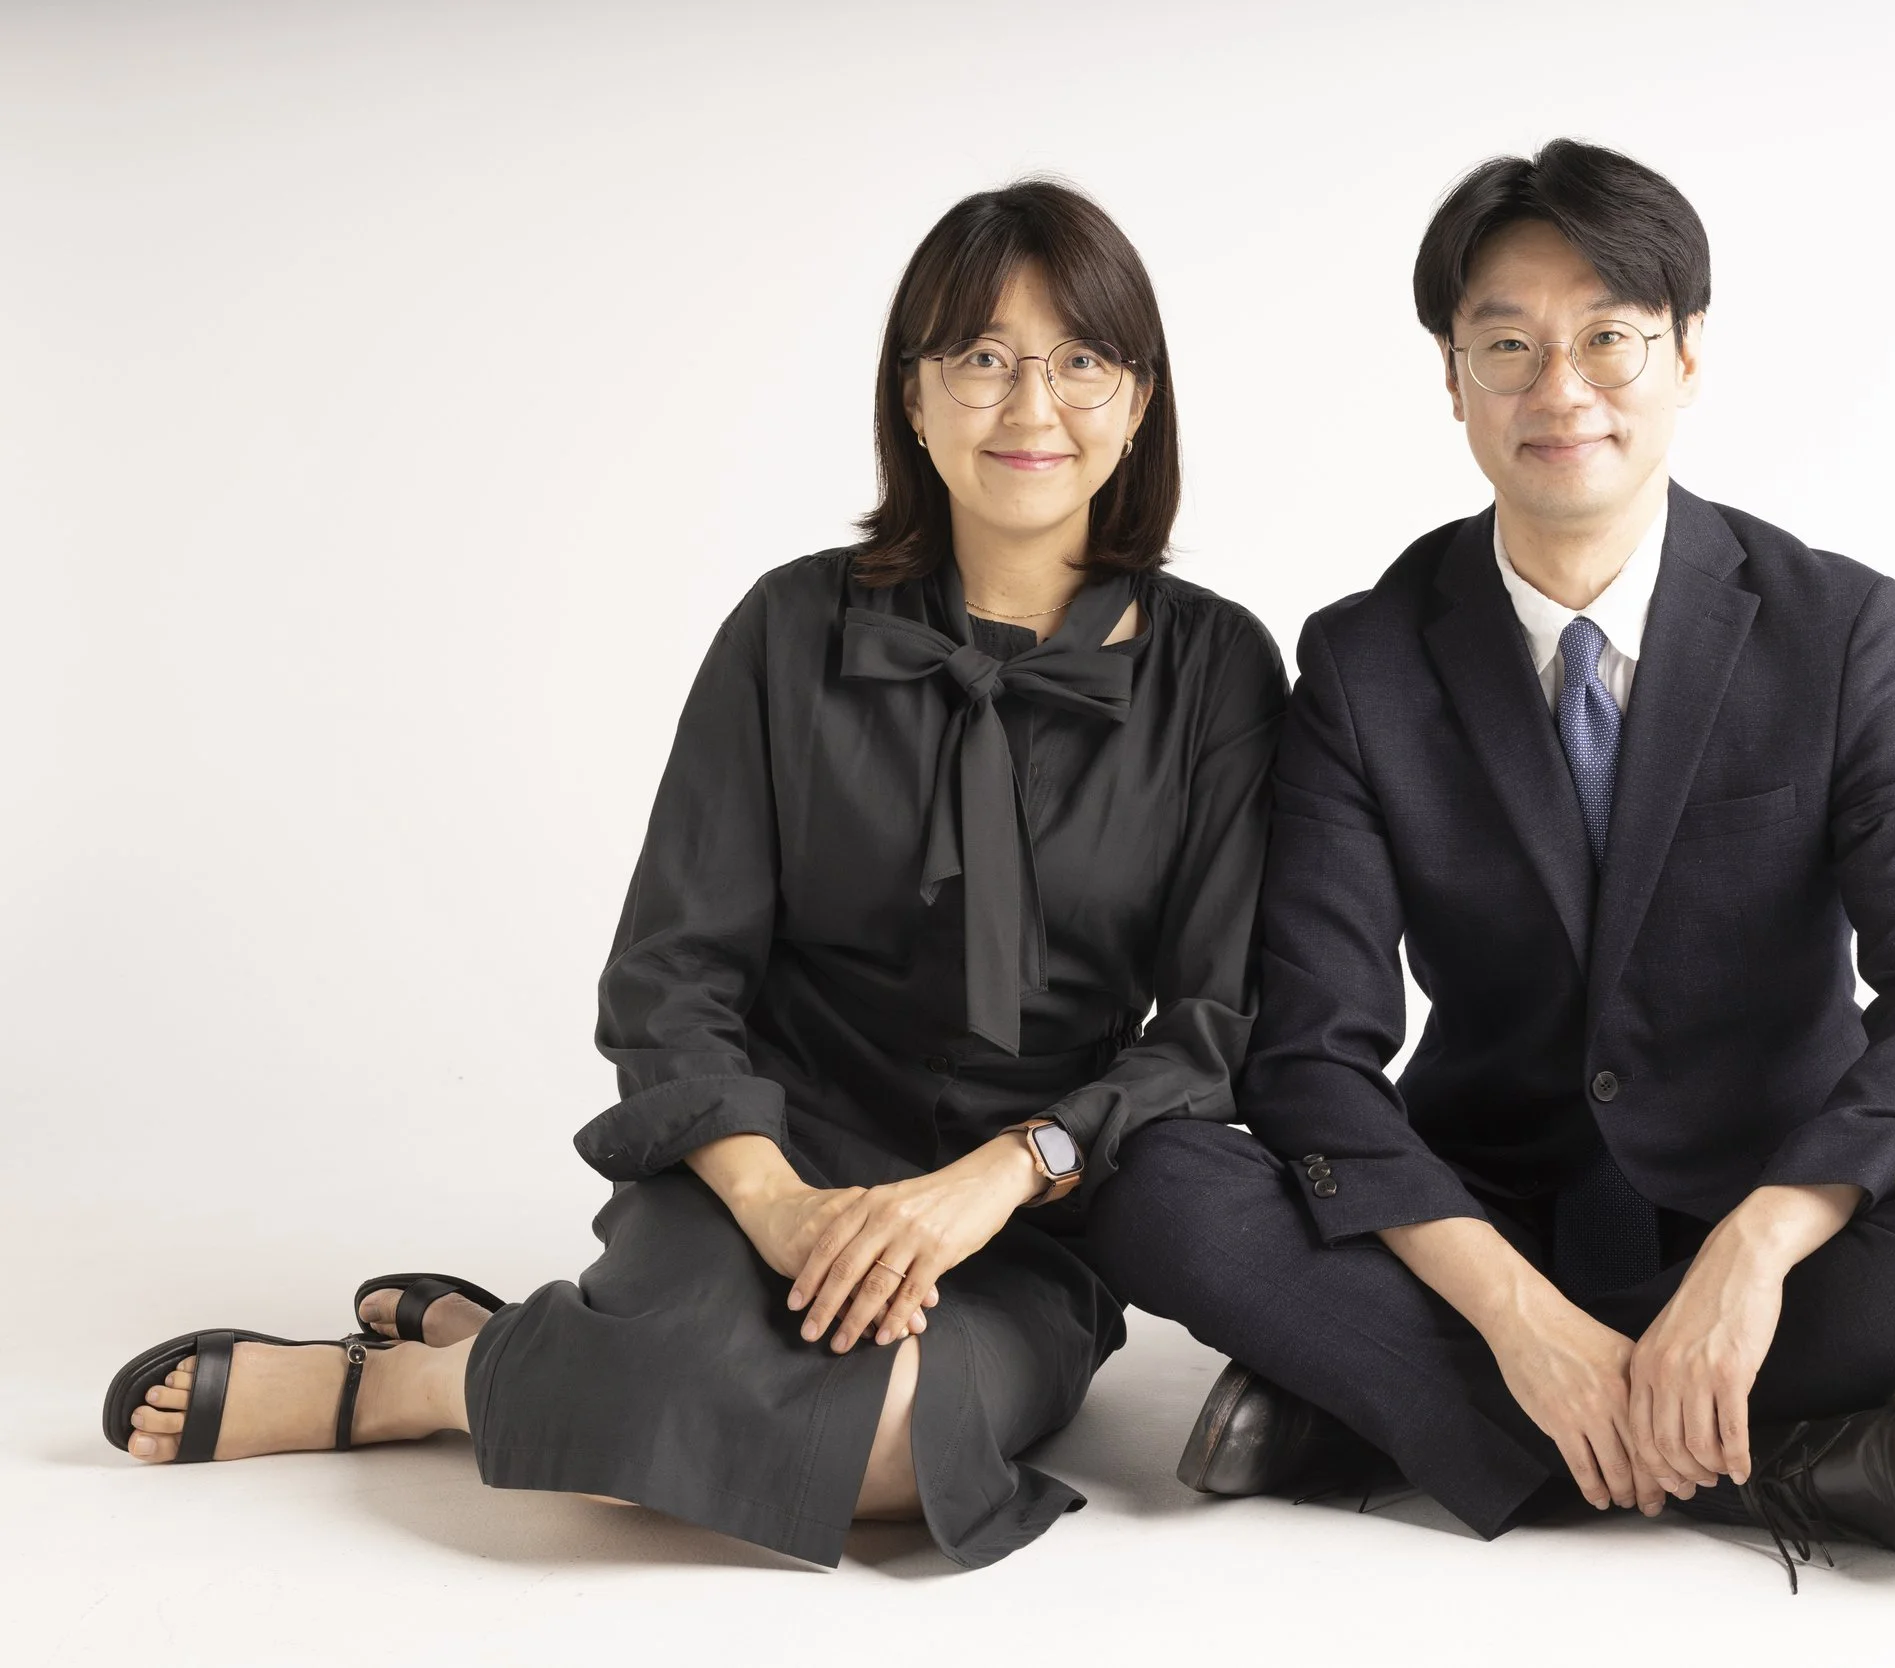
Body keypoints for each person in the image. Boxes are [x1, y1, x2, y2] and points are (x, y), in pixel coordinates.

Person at [100, 179, 1286, 1571]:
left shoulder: (1218, 670)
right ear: (913, 398)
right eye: (981, 358)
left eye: (1082, 360)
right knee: (679, 1427)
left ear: (1139, 401)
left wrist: (996, 1178)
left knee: (890, 1446)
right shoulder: (789, 630)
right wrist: (779, 1203)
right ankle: (398, 1386)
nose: (1033, 407)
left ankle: (468, 1363)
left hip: (1022, 1209)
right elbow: (673, 975)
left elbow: (1216, 1029)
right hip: (765, 1152)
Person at [1087, 139, 1895, 1583]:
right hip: (1489, 1216)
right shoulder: (1365, 660)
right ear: (1452, 375)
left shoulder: (1836, 630)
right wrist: (1516, 1318)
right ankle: (1790, 1457)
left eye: (1610, 338)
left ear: (1687, 354)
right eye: (1509, 346)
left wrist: (1757, 1249)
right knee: (1159, 1185)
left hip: (1759, 1217)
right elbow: (1310, 1055)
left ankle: (1377, 1424)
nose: (1563, 390)